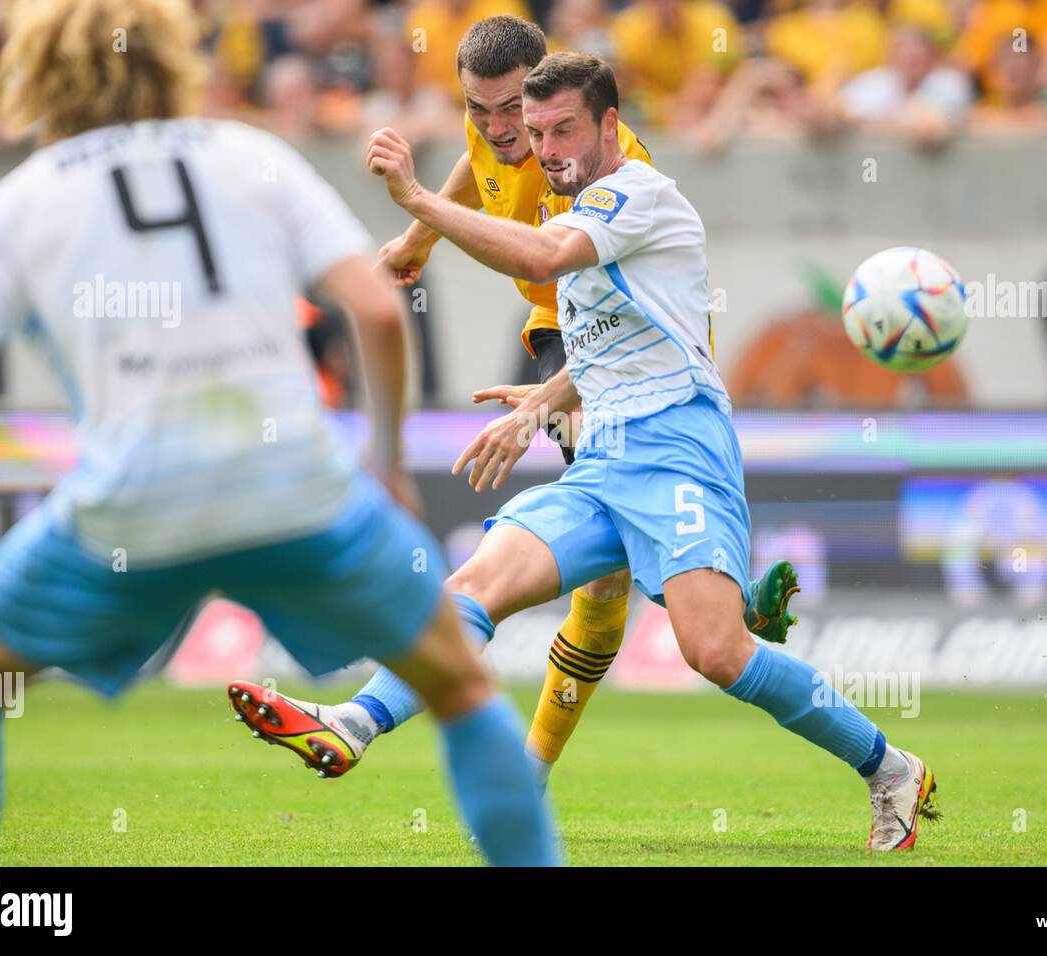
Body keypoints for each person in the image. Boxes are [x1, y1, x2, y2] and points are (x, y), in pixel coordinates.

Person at [0, 0, 556, 868]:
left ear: (38, 69)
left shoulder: (21, 200)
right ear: (177, 58)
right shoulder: (252, 155)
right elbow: (375, 305)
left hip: (131, 510)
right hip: (299, 491)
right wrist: (383, 465)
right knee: (458, 682)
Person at [365, 51, 938, 849]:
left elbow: (539, 258)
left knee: (715, 653)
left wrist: (417, 207)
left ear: (609, 123)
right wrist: (539, 404)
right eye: (534, 132)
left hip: (677, 442)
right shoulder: (555, 195)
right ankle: (350, 723)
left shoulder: (635, 190)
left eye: (561, 129)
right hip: (604, 451)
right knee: (479, 581)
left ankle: (889, 766)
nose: (541, 147)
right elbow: (604, 355)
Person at [231, 15, 801, 794]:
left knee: (603, 591)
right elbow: (479, 165)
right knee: (597, 577)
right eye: (481, 111)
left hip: (626, 340)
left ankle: (538, 759)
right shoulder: (499, 129)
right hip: (556, 326)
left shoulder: (608, 160)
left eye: (515, 114)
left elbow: (543, 250)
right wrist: (417, 242)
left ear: (548, 92)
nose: (502, 132)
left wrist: (422, 212)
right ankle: (723, 618)